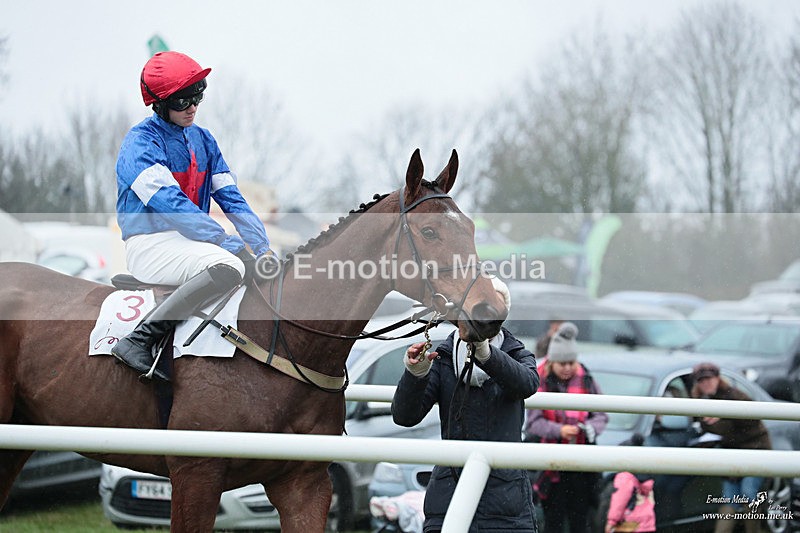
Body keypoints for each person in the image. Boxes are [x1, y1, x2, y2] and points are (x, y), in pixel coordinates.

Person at [112, 51, 272, 381]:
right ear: (159, 103)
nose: (193, 107)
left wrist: (263, 248)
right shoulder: (140, 144)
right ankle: (138, 341)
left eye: (198, 95)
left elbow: (232, 199)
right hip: (150, 245)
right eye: (183, 100)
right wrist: (229, 243)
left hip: (190, 243)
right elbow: (174, 206)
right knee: (229, 265)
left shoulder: (204, 139)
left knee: (255, 269)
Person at [392, 277, 539, 533]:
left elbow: (526, 385)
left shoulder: (518, 354)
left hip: (506, 506)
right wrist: (416, 375)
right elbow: (405, 416)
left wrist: (485, 353)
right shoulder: (443, 358)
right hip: (448, 496)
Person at [525, 321, 609, 533]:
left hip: (581, 462)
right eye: (562, 363)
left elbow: (601, 415)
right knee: (553, 520)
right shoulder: (538, 381)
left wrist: (587, 428)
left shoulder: (587, 379)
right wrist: (559, 430)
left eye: (571, 362)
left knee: (581, 520)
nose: (567, 368)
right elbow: (533, 423)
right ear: (552, 362)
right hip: (549, 463)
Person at [690, 362, 772, 533]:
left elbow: (750, 423)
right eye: (702, 381)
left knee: (749, 494)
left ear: (718, 378)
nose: (706, 384)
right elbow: (710, 434)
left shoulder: (735, 396)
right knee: (730, 500)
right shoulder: (698, 402)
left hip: (754, 452)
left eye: (709, 379)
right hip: (731, 455)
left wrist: (722, 418)